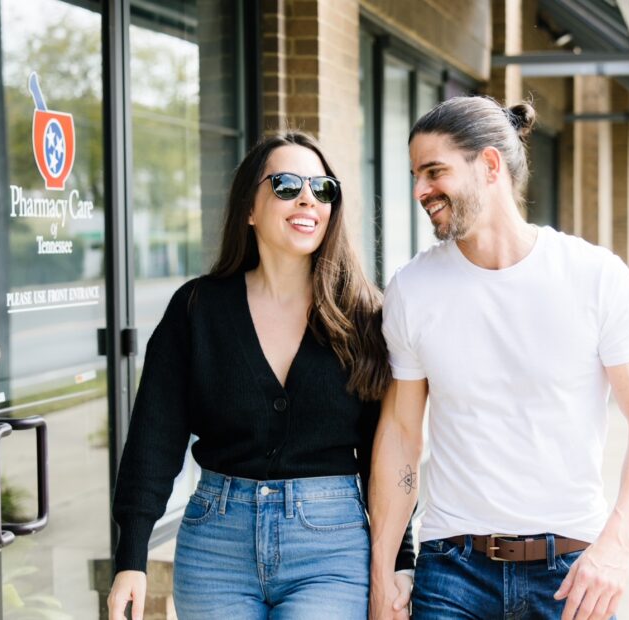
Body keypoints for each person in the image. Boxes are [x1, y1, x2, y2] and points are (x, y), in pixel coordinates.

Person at [368, 96, 629, 620]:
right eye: (416, 175)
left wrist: (616, 548)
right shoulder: (412, 290)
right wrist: (382, 575)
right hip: (451, 570)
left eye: (434, 171)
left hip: (573, 573)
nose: (420, 191)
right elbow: (401, 434)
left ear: (489, 165)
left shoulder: (594, 276)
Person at [107, 131, 414, 620]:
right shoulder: (196, 309)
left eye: (323, 188)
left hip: (330, 549)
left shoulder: (364, 315)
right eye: (288, 185)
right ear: (249, 207)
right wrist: (132, 558)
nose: (308, 198)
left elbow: (391, 447)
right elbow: (154, 437)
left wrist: (400, 560)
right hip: (215, 549)